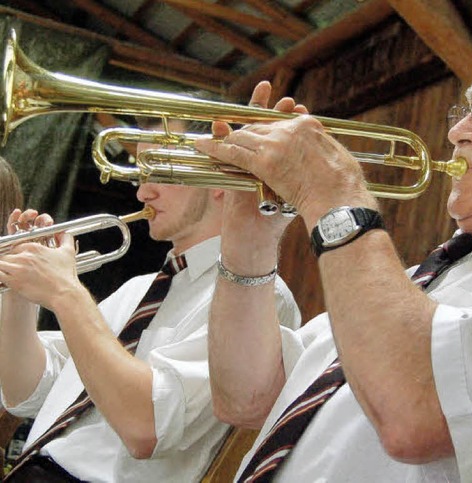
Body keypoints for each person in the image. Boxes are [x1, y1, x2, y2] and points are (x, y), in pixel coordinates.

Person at [197, 32, 472, 482]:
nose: (456, 131)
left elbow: (416, 415)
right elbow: (245, 397)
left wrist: (335, 194)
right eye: (467, 108)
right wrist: (247, 238)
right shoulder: (413, 281)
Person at [0, 118, 301, 482]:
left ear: (220, 177)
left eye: (161, 169)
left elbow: (146, 428)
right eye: (143, 173)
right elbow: (24, 393)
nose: (143, 192)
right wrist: (19, 291)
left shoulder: (260, 299)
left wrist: (65, 293)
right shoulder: (139, 289)